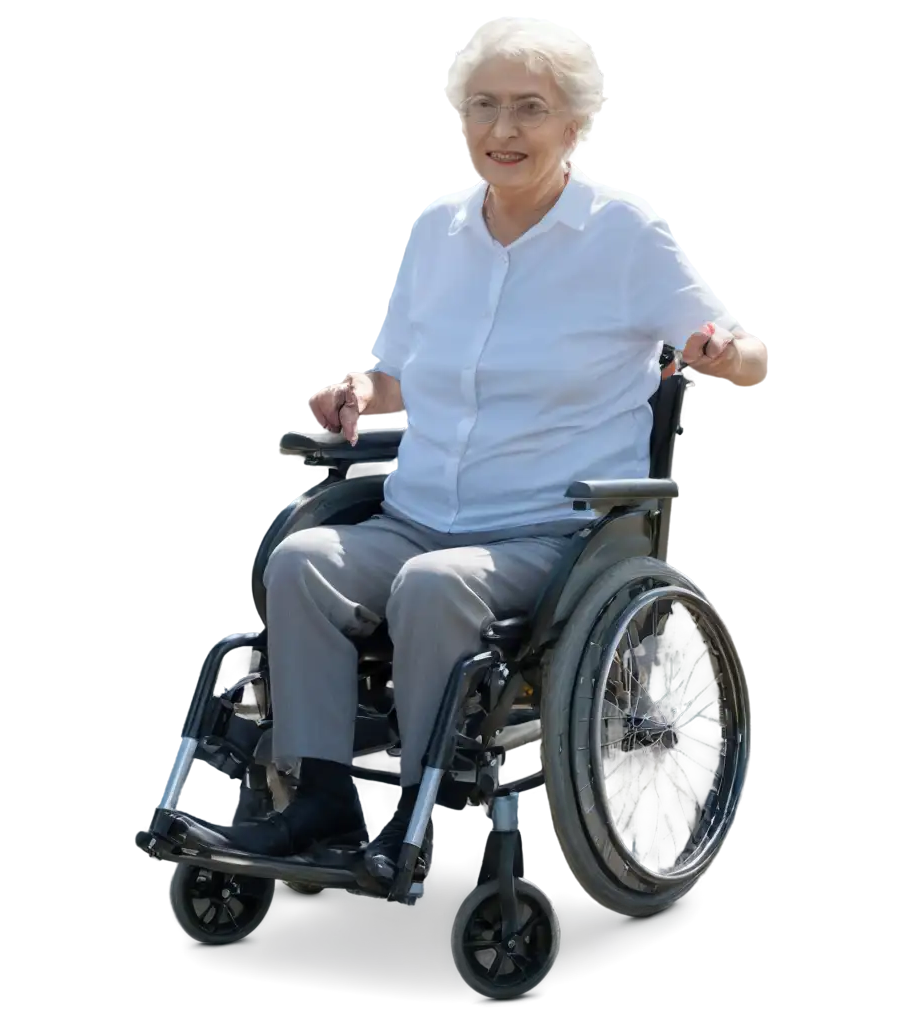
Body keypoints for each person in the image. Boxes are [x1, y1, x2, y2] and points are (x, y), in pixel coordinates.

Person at [219, 15, 766, 880]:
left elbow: (738, 350)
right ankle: (319, 803)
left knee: (434, 586)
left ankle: (410, 817)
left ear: (572, 126)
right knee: (303, 558)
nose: (503, 130)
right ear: (461, 121)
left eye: (529, 109)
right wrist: (359, 391)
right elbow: (395, 377)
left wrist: (722, 352)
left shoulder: (624, 234)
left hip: (545, 534)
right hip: (421, 511)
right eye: (484, 107)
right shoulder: (438, 230)